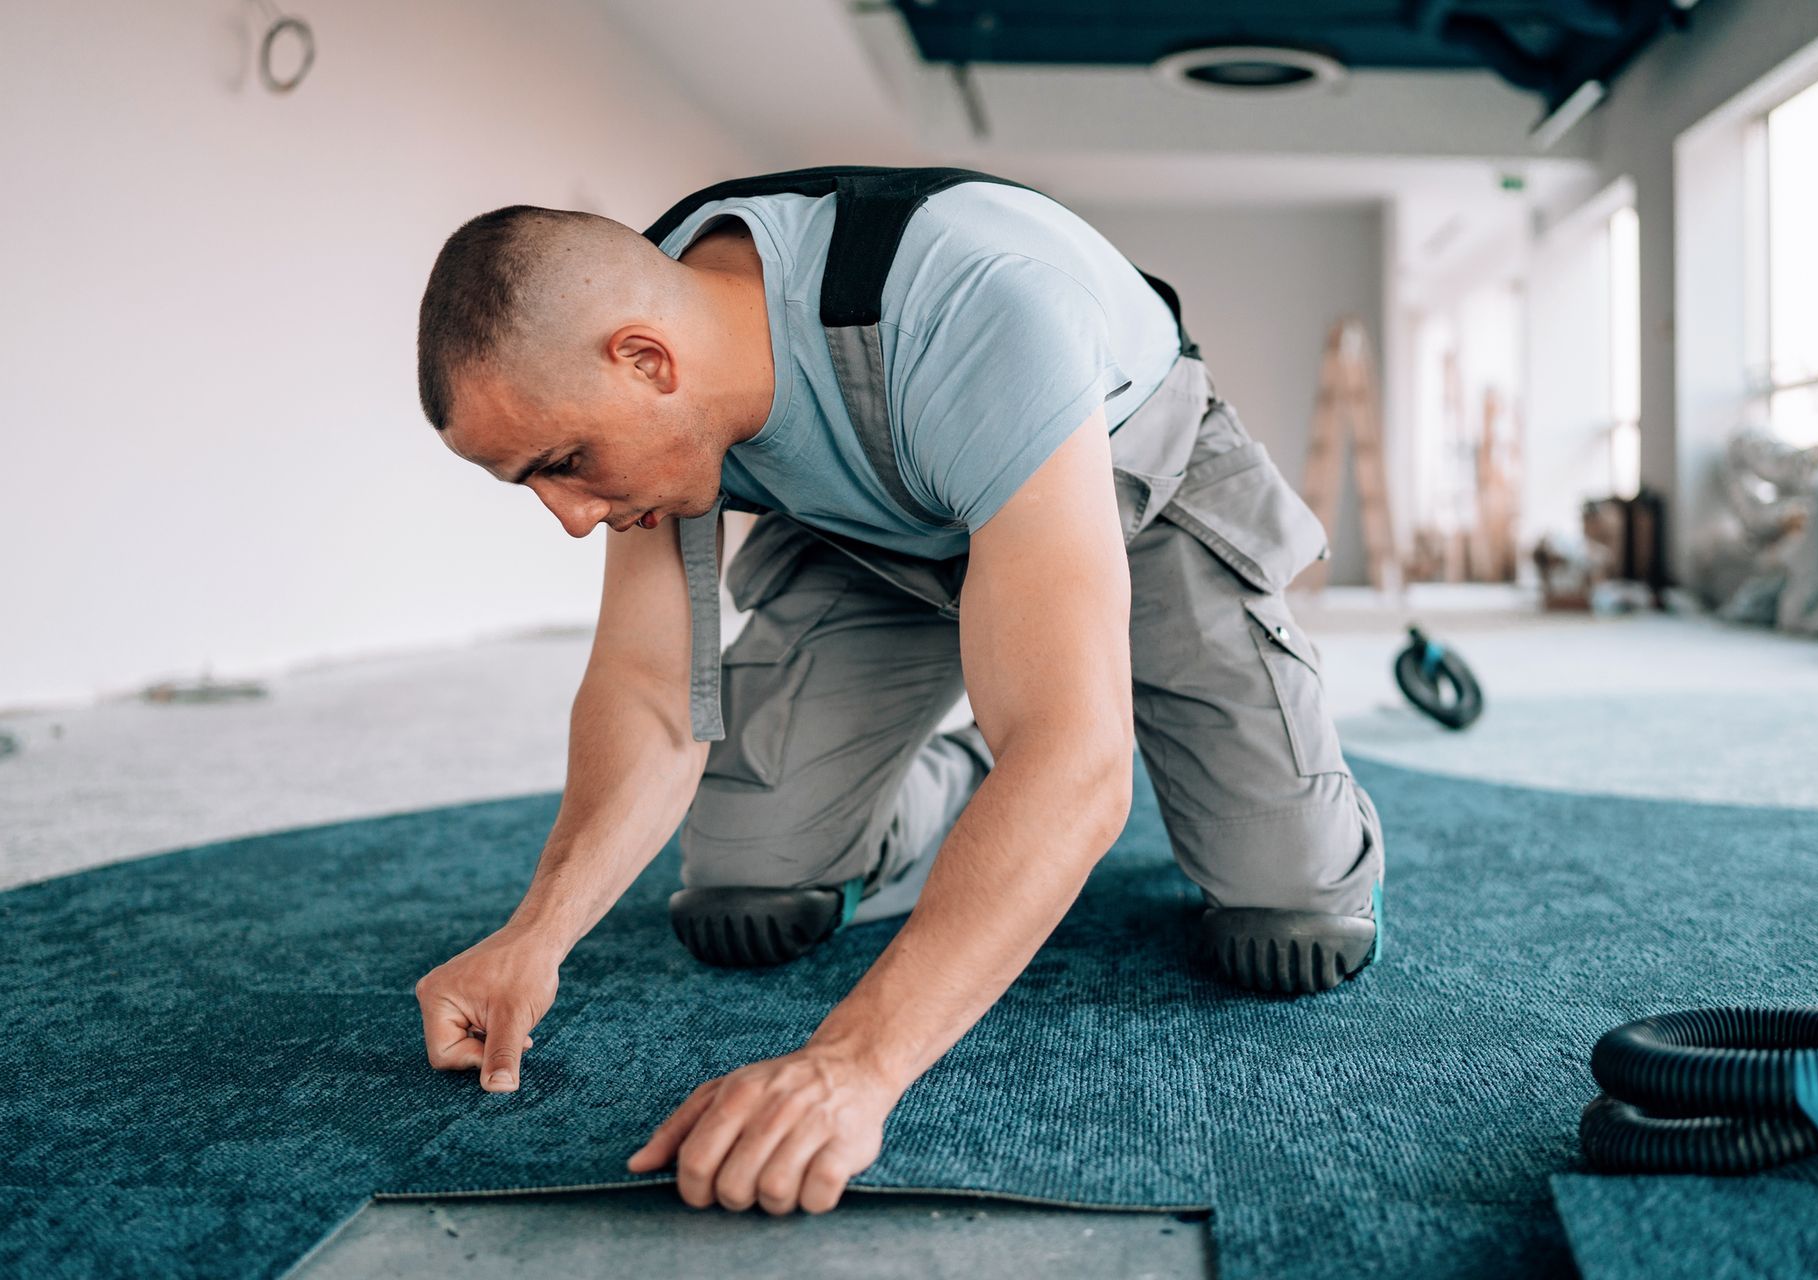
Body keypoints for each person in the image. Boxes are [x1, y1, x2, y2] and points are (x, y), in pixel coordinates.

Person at [409, 166, 1384, 1219]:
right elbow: (650, 690)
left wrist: (851, 1065)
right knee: (747, 888)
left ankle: (1142, 774)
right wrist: (537, 931)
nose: (566, 514)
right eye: (534, 482)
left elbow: (1078, 757)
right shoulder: (657, 353)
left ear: (646, 360)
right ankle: (967, 775)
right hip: (878, 534)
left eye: (563, 462)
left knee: (1291, 924)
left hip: (1130, 489)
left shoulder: (979, 305)